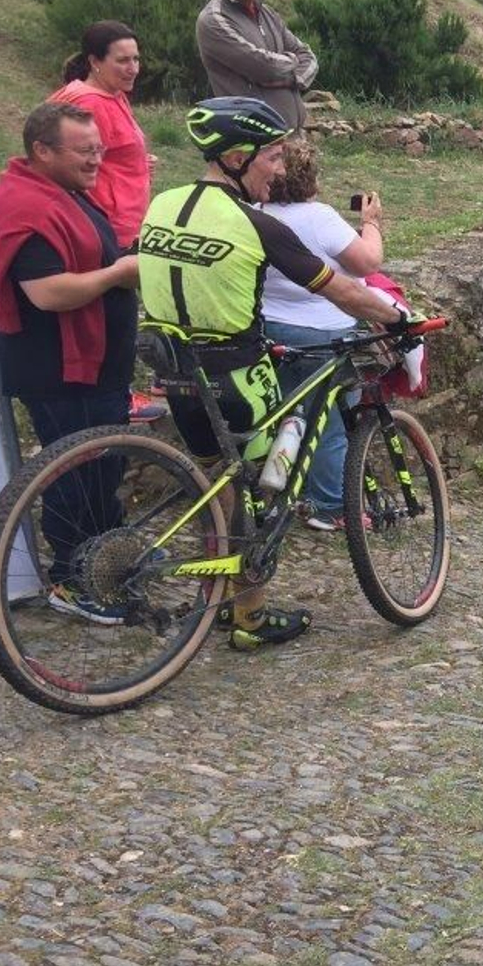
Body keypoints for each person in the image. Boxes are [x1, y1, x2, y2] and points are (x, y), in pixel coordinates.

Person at [138, 97, 406, 649]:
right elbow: (343, 289)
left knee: (220, 483)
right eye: (274, 158)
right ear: (239, 156)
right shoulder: (253, 223)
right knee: (266, 489)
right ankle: (251, 620)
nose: (280, 171)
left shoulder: (161, 203)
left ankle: (220, 599)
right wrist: (400, 318)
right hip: (236, 374)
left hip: (174, 372)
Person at [0, 103, 141, 622]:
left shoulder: (62, 192)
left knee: (103, 470)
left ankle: (108, 563)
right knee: (72, 476)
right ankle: (71, 580)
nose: (97, 159)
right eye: (85, 151)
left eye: (99, 149)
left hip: (97, 367)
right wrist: (119, 272)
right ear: (42, 150)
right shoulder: (26, 207)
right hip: (61, 371)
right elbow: (48, 293)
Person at [47, 21, 166, 424]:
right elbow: (59, 158)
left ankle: (118, 393)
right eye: (122, 60)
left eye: (136, 58)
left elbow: (110, 151)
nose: (133, 67)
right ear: (95, 61)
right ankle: (115, 400)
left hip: (124, 221)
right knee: (112, 316)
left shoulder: (111, 94)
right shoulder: (86, 101)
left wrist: (137, 163)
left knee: (119, 311)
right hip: (106, 227)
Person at [261, 149, 386, 530]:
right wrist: (371, 223)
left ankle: (286, 494)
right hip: (323, 333)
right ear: (311, 178)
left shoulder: (257, 214)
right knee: (330, 424)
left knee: (287, 417)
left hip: (270, 329)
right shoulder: (319, 218)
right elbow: (367, 262)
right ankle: (330, 506)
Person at [196, 0, 319, 132]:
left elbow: (309, 56)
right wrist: (293, 61)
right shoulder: (214, 20)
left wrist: (294, 79)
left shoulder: (267, 13)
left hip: (291, 140)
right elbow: (264, 66)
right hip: (252, 145)